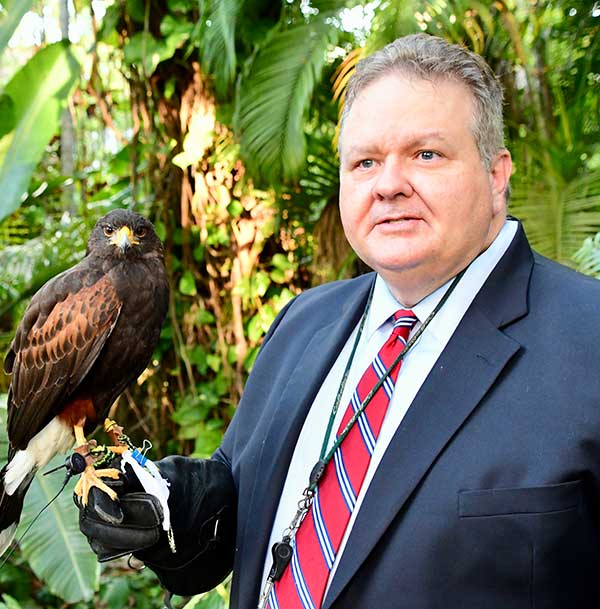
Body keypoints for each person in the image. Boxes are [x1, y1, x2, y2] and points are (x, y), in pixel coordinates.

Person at [77, 33, 600, 609]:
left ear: (497, 174)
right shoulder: (307, 320)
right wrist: (161, 504)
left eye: (426, 154)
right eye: (365, 161)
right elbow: (239, 490)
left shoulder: (588, 339)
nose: (388, 184)